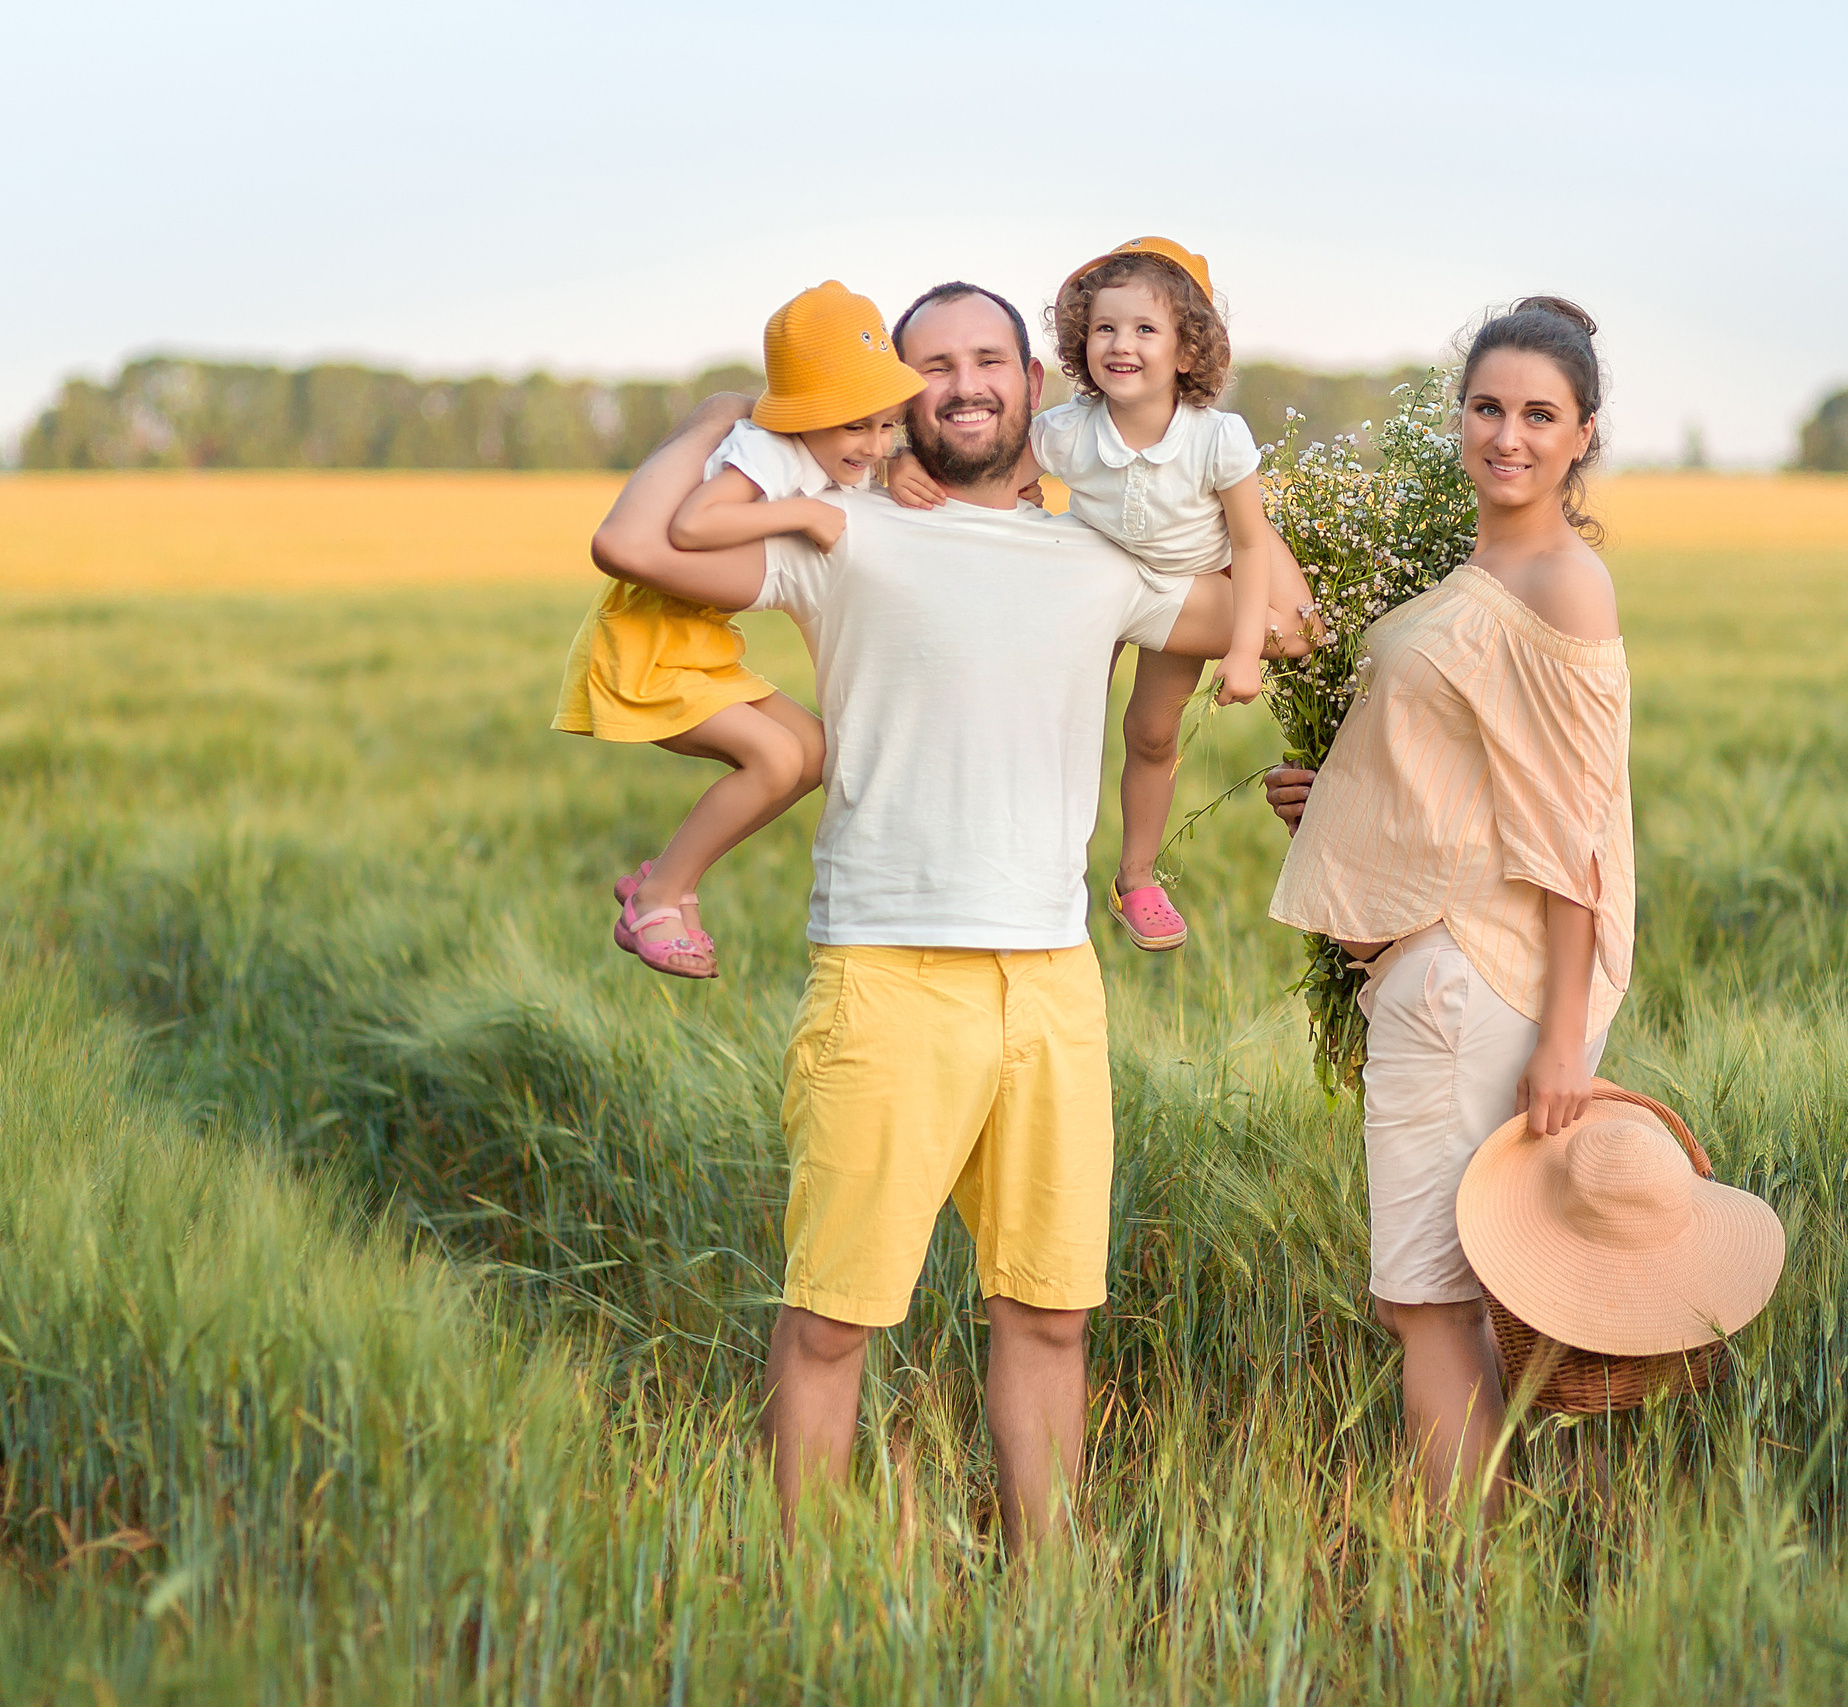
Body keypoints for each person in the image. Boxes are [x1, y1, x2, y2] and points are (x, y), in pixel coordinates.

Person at [590, 279, 1286, 1551]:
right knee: (832, 1318)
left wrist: (1219, 486)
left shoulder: (1101, 560)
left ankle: (1050, 1601)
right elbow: (635, 546)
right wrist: (721, 417)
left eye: (988, 359)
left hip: (1053, 984)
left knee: (1050, 1315)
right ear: (894, 395)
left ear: (1034, 382)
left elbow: (1280, 618)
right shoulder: (840, 530)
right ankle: (815, 1603)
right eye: (932, 367)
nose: (964, 384)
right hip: (886, 974)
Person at [1262, 297, 1635, 1520]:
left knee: (1426, 1299)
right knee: (1453, 1295)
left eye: (1539, 415)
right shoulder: (1479, 572)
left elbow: (1573, 830)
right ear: (1456, 416)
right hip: (1447, 973)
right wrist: (1330, 800)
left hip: (1478, 977)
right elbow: (1460, 779)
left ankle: (1454, 1584)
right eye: (1486, 408)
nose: (1507, 436)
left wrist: (1564, 1040)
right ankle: (1485, 1571)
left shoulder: (1562, 582)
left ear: (1582, 435)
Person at [888, 238, 1314, 954]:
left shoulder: (1217, 439)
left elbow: (1248, 544)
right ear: (1081, 343)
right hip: (1095, 579)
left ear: (1187, 350)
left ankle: (1136, 877)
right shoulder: (1066, 430)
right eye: (1105, 328)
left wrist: (1244, 652)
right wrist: (898, 462)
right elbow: (989, 476)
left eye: (1146, 329)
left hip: (1184, 583)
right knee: (1058, 719)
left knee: (1152, 734)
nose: (1122, 344)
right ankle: (1028, 864)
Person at [553, 281, 920, 978]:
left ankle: (667, 877)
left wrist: (891, 467)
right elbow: (694, 524)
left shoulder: (826, 452)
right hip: (648, 644)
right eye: (856, 426)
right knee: (777, 760)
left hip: (697, 642)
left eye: (886, 426)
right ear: (805, 416)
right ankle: (658, 896)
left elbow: (863, 468)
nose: (874, 444)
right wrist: (800, 514)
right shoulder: (770, 452)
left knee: (814, 751)